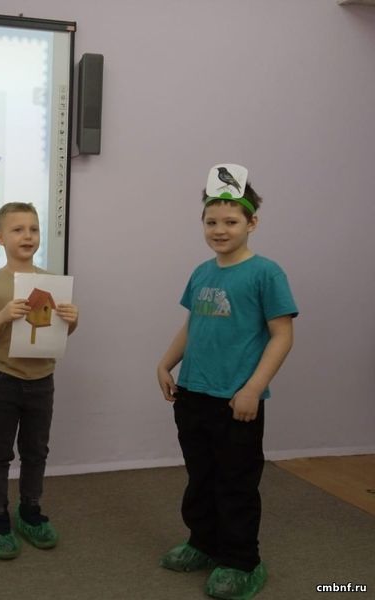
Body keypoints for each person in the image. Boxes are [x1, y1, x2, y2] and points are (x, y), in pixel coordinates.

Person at [156, 165, 298, 600]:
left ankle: (241, 561)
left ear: (252, 223)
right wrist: (165, 364)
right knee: (200, 476)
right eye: (211, 221)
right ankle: (203, 542)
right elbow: (192, 325)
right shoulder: (202, 273)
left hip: (236, 401)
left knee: (235, 482)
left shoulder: (266, 273)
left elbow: (282, 335)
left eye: (231, 221)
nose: (220, 230)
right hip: (192, 394)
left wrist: (253, 388)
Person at [0, 202, 79, 559]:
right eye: (17, 230)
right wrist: (2, 316)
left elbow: (59, 332)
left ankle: (30, 510)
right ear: (0, 238)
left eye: (33, 229)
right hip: (2, 379)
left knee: (36, 450)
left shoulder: (51, 283)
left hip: (42, 381)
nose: (27, 236)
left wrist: (72, 320)